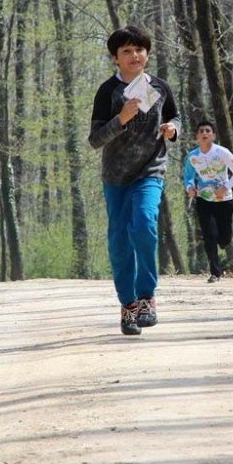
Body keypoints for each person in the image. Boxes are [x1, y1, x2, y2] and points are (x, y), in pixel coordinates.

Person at [89, 25, 181, 335]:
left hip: (150, 170)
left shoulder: (159, 87)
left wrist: (172, 129)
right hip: (116, 176)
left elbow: (175, 116)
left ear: (147, 53)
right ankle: (127, 304)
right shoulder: (108, 91)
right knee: (119, 240)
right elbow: (95, 139)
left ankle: (147, 298)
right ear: (115, 58)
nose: (134, 55)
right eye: (126, 51)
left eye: (139, 50)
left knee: (144, 224)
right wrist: (121, 120)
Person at [183, 120, 233, 283]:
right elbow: (188, 177)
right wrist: (190, 188)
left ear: (213, 135)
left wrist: (226, 187)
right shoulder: (192, 157)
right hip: (204, 199)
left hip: (224, 199)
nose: (204, 133)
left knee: (224, 238)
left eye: (208, 131)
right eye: (201, 131)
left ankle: (223, 240)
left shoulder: (222, 152)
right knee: (209, 235)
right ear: (197, 136)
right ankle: (215, 272)